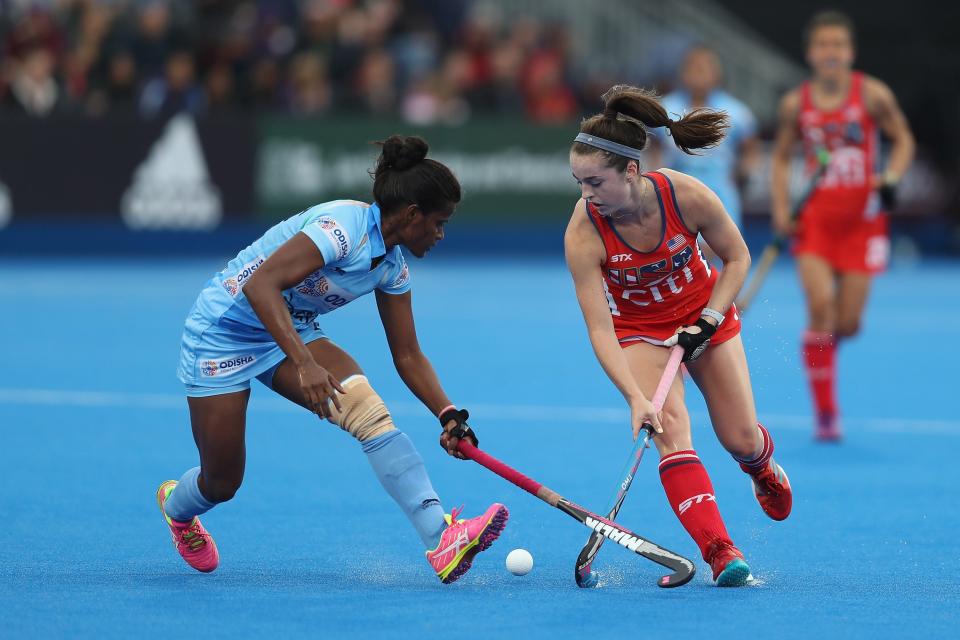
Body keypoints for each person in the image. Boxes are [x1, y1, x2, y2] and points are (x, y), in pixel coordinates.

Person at [156, 135, 508, 584]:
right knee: (222, 483)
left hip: (290, 330)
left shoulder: (392, 266)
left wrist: (448, 414)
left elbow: (407, 354)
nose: (441, 234)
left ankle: (441, 539)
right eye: (439, 222)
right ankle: (177, 509)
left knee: (367, 412)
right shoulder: (342, 227)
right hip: (223, 334)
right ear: (412, 214)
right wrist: (304, 363)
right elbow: (260, 287)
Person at [565, 85, 792, 586]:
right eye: (579, 182)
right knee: (669, 430)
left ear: (631, 170)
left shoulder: (683, 194)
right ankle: (720, 552)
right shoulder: (583, 233)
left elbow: (737, 259)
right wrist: (632, 396)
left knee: (739, 438)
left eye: (596, 182)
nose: (587, 196)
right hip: (640, 330)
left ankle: (760, 465)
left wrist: (709, 319)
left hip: (705, 315)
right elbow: (600, 327)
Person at [770, 10, 914, 441]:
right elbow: (780, 157)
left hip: (863, 224)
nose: (830, 52)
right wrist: (782, 207)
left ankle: (819, 352)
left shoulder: (872, 95)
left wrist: (891, 177)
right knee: (819, 307)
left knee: (845, 324)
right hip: (815, 220)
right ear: (811, 53)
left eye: (838, 45)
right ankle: (826, 411)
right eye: (823, 45)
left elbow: (904, 139)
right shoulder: (796, 104)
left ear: (849, 52)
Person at [658, 45, 760, 232]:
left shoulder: (736, 112)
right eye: (693, 67)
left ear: (717, 74)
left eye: (705, 68)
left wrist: (741, 176)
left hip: (720, 190)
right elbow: (652, 147)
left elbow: (750, 148)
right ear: (683, 73)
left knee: (720, 249)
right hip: (675, 190)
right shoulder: (664, 108)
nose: (699, 73)